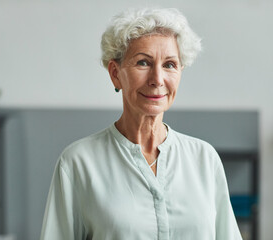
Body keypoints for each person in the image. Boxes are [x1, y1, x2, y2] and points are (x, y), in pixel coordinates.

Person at [40, 8, 242, 240]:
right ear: (116, 74)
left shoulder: (204, 158)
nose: (157, 79)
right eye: (143, 63)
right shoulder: (77, 163)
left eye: (169, 65)